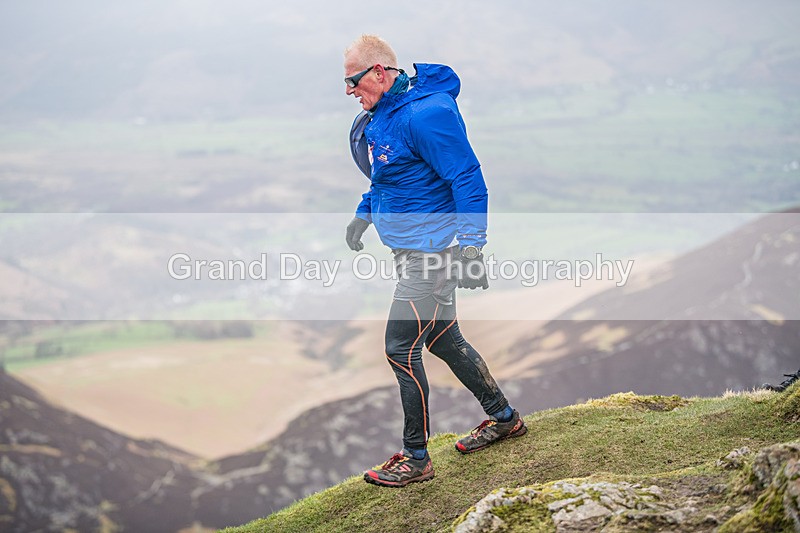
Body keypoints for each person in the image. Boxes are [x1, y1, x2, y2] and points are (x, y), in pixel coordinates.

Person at [342, 35, 527, 488]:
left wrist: (471, 246)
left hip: (432, 253)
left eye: (353, 80)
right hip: (411, 250)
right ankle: (503, 418)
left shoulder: (425, 115)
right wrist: (364, 215)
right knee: (443, 338)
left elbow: (466, 176)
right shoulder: (382, 114)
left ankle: (416, 456)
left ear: (379, 73)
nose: (348, 90)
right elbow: (391, 175)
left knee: (399, 349)